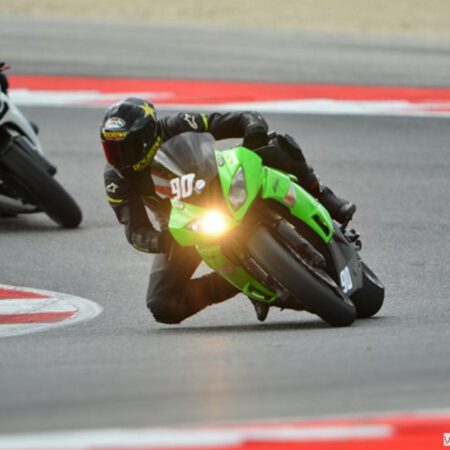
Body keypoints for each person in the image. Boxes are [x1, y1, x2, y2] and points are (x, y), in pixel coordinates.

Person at [100, 97, 355, 323]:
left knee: (276, 143)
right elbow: (135, 230)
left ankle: (325, 197)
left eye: (126, 147)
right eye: (111, 150)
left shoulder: (178, 124)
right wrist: (160, 240)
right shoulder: (116, 178)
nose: (118, 157)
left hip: (222, 184)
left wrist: (253, 131)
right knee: (161, 303)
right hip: (186, 226)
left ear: (147, 136)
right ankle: (243, 283)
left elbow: (242, 118)